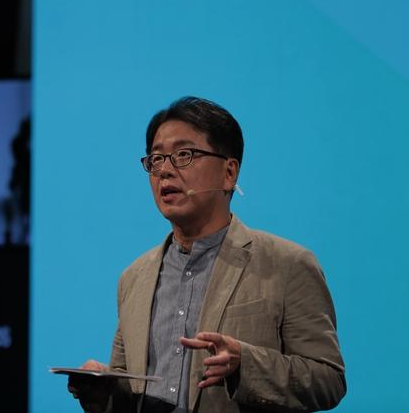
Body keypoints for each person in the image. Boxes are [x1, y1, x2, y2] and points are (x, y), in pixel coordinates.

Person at [68, 97, 346, 412]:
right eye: (156, 159)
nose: (165, 171)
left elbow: (328, 380)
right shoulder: (133, 278)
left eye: (184, 155)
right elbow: (128, 392)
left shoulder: (288, 265)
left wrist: (245, 362)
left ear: (229, 172)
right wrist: (102, 389)